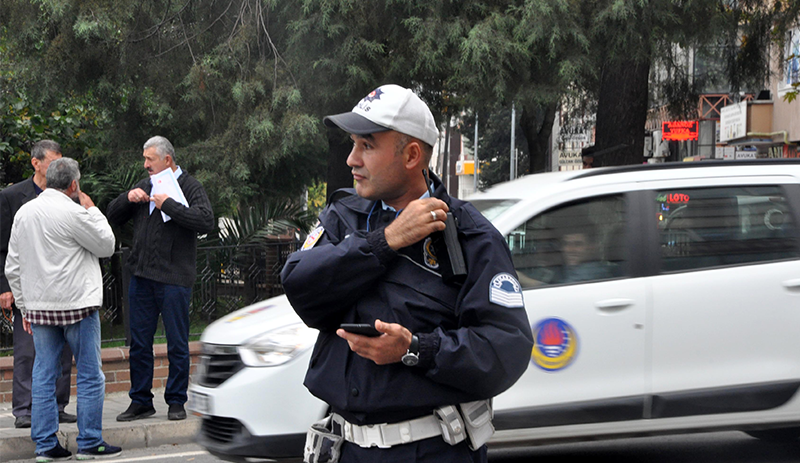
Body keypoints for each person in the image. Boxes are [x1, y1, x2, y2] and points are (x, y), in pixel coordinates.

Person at [281, 84, 533, 463]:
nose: (351, 159)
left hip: (430, 450)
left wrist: (416, 349)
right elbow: (300, 285)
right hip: (345, 449)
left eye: (366, 145)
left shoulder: (470, 236)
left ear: (412, 155)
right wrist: (384, 242)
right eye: (352, 144)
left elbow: (505, 348)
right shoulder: (343, 217)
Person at [5, 157, 121, 461]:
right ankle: (89, 441)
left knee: (43, 374)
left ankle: (45, 446)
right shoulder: (73, 211)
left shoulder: (25, 213)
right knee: (89, 374)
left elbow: (13, 266)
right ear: (73, 184)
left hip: (40, 308)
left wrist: (25, 307)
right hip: (78, 306)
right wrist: (92, 209)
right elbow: (106, 245)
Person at [107, 136, 214, 422]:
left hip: (174, 278)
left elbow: (205, 221)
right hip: (141, 276)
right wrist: (128, 198)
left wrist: (169, 205)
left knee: (177, 343)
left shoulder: (190, 187)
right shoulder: (146, 185)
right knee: (139, 343)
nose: (145, 165)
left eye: (149, 159)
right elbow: (112, 215)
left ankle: (176, 400)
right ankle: (141, 400)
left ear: (167, 159)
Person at [0, 140, 76, 429]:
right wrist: (4, 286)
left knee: (64, 350)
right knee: (27, 350)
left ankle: (58, 405)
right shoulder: (11, 196)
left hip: (61, 287)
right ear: (36, 163)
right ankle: (23, 409)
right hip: (28, 287)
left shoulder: (68, 194)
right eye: (54, 160)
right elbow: (3, 247)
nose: (59, 166)